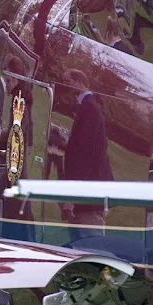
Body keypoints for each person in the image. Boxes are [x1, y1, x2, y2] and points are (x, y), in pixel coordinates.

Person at [59, 69, 113, 241]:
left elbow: (85, 155)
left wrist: (71, 197)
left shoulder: (90, 107)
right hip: (86, 194)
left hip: (88, 196)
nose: (65, 85)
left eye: (68, 81)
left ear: (80, 83)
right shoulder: (87, 106)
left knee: (90, 245)